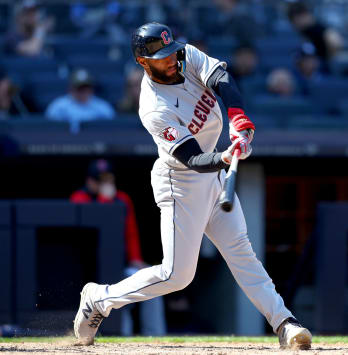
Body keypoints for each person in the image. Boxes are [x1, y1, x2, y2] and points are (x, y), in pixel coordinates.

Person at [73, 23, 312, 349]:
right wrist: (226, 156)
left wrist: (238, 120)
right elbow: (191, 158)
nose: (172, 60)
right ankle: (100, 298)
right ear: (144, 62)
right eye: (161, 57)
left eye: (172, 52)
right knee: (177, 276)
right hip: (181, 184)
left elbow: (222, 79)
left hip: (213, 178)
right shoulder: (154, 107)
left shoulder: (186, 57)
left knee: (242, 254)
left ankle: (284, 323)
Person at [70, 159, 167, 336]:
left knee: (155, 284)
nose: (105, 184)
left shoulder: (122, 199)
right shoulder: (79, 198)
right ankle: (123, 338)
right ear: (90, 181)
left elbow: (130, 233)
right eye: (100, 180)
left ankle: (155, 336)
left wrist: (136, 259)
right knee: (118, 299)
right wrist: (105, 200)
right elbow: (95, 230)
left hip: (120, 265)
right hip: (90, 270)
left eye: (108, 179)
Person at [45, 68, 115, 133]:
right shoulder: (58, 106)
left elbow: (112, 131)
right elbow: (49, 130)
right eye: (79, 88)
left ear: (92, 89)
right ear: (71, 88)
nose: (83, 91)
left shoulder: (102, 107)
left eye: (86, 87)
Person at [287, 1, 343, 74]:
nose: (296, 22)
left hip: (321, 67)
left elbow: (336, 42)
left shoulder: (318, 28)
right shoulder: (301, 31)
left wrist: (327, 58)